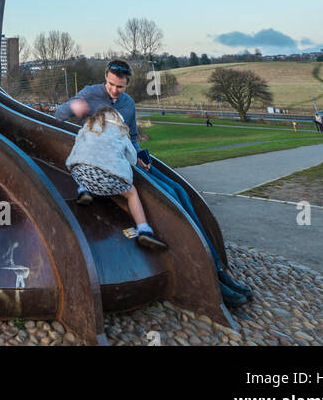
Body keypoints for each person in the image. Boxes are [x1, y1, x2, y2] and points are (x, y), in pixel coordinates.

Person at [57, 61, 251, 310]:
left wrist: (138, 156)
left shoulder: (127, 104)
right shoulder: (89, 93)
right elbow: (59, 115)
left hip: (126, 159)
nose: (115, 91)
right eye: (111, 85)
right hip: (108, 165)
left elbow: (133, 137)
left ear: (127, 84)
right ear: (105, 78)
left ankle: (219, 271)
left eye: (120, 87)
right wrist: (73, 107)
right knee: (168, 195)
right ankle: (212, 276)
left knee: (180, 191)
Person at [65, 107, 166, 249]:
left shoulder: (88, 128)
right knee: (132, 193)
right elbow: (132, 158)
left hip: (79, 173)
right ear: (118, 120)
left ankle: (84, 191)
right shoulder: (120, 132)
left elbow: (78, 145)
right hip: (108, 178)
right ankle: (144, 229)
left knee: (85, 164)